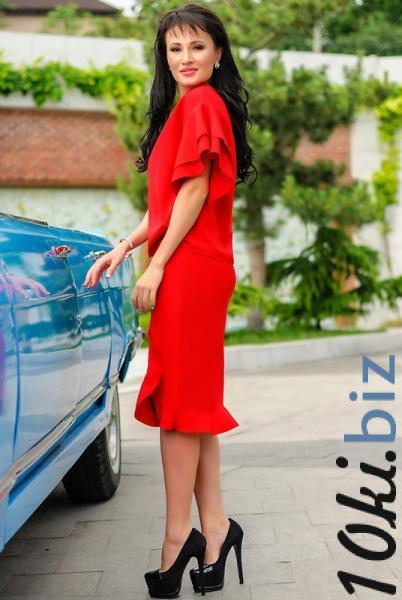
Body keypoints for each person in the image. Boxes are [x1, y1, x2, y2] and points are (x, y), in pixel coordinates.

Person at [83, 3, 256, 597]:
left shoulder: (203, 105)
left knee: (180, 407)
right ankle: (216, 528)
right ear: (164, 55)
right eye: (174, 48)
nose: (185, 58)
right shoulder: (187, 109)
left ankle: (176, 536)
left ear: (218, 53)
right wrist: (125, 246)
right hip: (193, 264)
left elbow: (197, 190)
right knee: (193, 405)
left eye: (197, 47)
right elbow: (166, 203)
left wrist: (155, 265)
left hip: (190, 268)